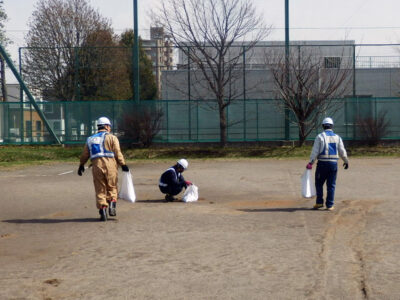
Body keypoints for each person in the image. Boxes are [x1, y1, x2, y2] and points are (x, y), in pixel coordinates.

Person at [78, 117, 129, 221]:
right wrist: (123, 164)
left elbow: (85, 155)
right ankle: (112, 204)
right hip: (110, 164)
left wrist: (81, 165)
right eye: (109, 126)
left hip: (96, 165)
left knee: (100, 189)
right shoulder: (112, 138)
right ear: (106, 126)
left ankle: (103, 209)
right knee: (112, 186)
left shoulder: (90, 139)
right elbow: (117, 152)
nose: (109, 128)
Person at [307, 117, 349, 211]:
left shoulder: (320, 137)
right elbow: (342, 151)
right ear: (332, 126)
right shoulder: (337, 137)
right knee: (331, 185)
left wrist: (311, 162)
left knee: (319, 183)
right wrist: (346, 161)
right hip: (333, 164)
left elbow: (315, 151)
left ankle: (319, 202)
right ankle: (330, 205)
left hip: (322, 164)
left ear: (323, 126)